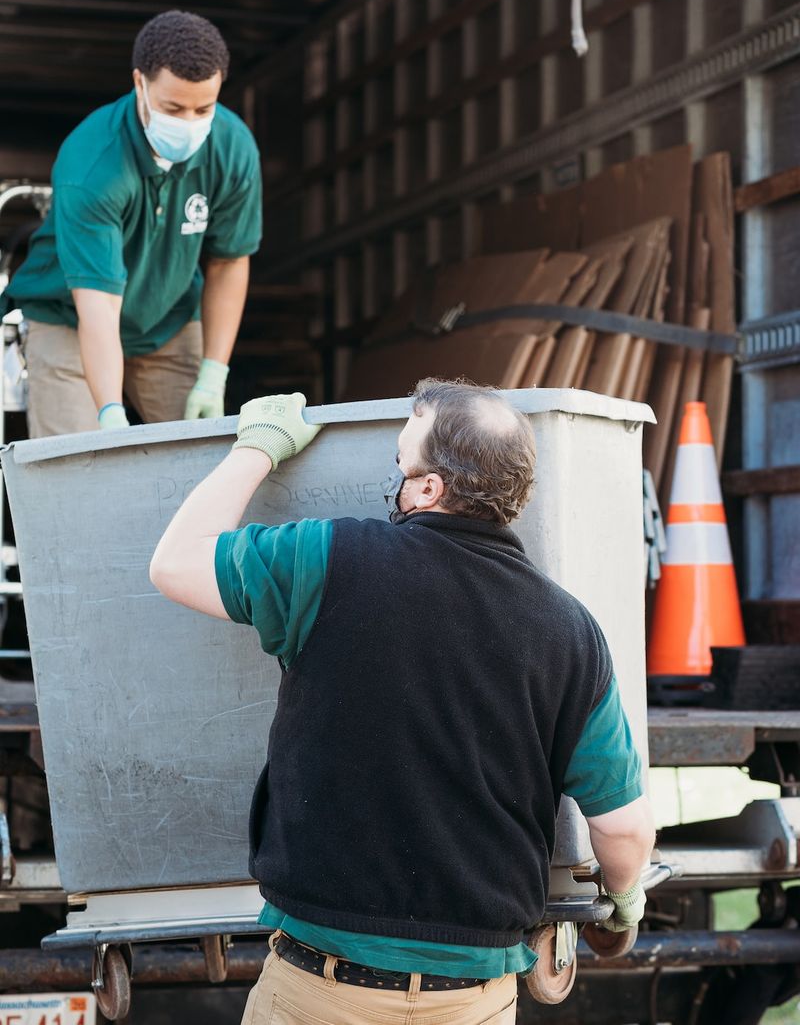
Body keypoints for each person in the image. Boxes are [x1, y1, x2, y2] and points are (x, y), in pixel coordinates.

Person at [150, 379, 655, 1025]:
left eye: (400, 461)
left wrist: (259, 447)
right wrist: (625, 901)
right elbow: (623, 827)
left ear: (428, 488)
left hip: (319, 992)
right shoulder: (571, 632)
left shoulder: (327, 557)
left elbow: (174, 563)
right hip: (472, 1002)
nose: (394, 476)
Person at [4, 10, 262, 438]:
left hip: (169, 321)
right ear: (139, 82)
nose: (189, 123)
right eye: (173, 107)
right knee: (78, 466)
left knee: (199, 462)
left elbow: (228, 261)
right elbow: (99, 307)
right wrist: (109, 411)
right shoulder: (92, 164)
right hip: (70, 320)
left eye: (204, 108)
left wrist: (214, 373)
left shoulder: (232, 148)